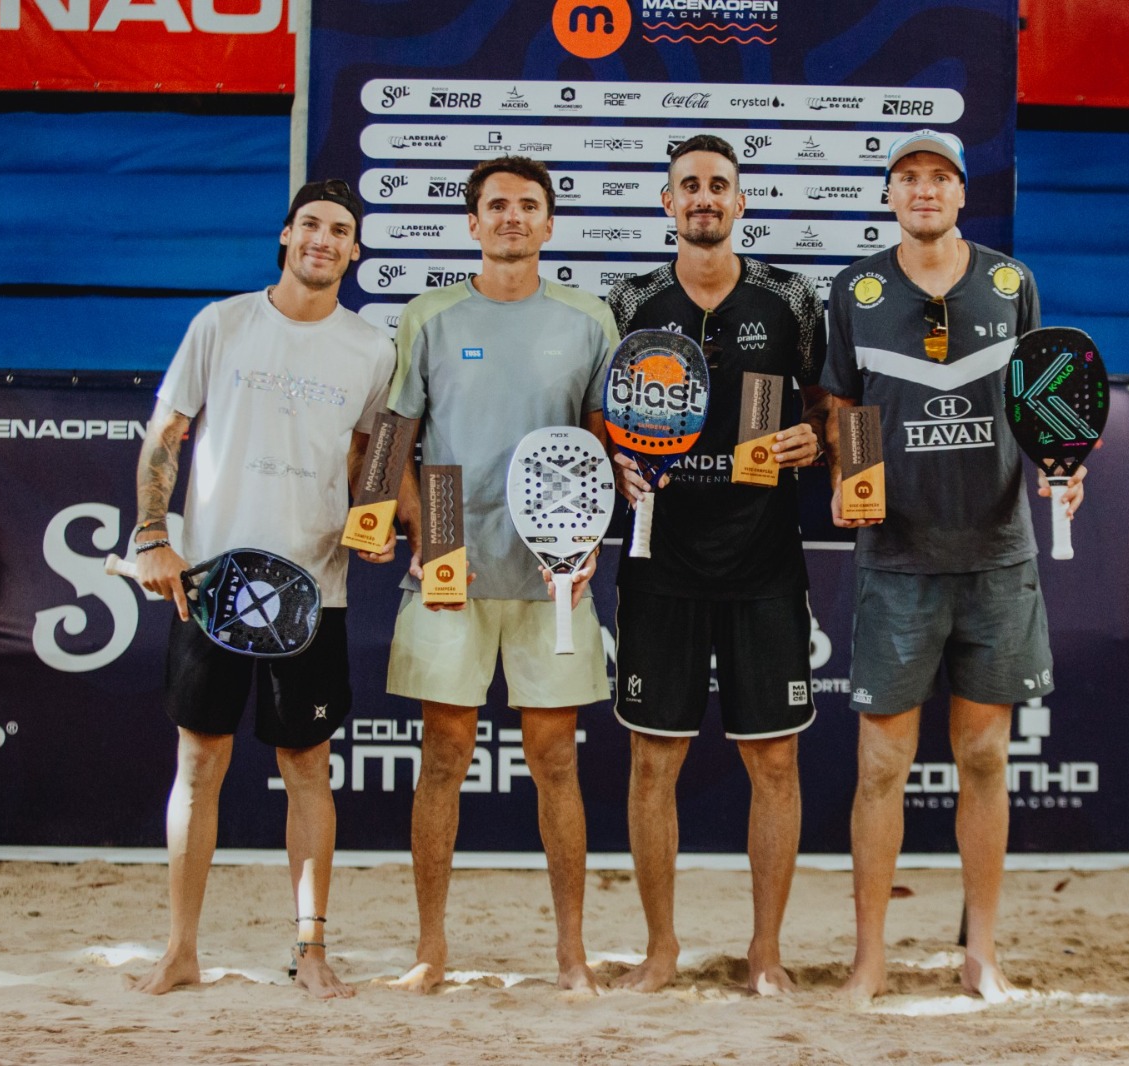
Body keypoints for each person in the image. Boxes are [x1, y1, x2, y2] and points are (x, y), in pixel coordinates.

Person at [820, 130, 1087, 1002]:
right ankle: (869, 959)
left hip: (996, 555)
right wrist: (844, 473)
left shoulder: (1012, 282)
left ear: (962, 195)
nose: (924, 191)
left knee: (983, 756)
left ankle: (981, 956)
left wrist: (1062, 466)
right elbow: (841, 405)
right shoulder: (855, 290)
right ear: (889, 197)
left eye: (939, 179)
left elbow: (1046, 398)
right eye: (908, 180)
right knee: (879, 770)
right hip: (896, 558)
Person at [129, 179, 397, 998]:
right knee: (199, 762)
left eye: (340, 230)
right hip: (211, 588)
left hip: (315, 591)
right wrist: (151, 534)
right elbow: (165, 436)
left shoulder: (372, 349)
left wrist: (374, 522)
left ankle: (310, 952)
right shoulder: (222, 323)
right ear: (286, 237)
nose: (323, 239)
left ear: (355, 251)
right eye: (310, 224)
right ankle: (180, 950)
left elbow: (368, 465)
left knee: (307, 765)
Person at [385, 155, 617, 994]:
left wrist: (590, 537)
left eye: (528, 206)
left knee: (557, 760)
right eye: (496, 206)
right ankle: (431, 948)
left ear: (550, 224)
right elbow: (394, 443)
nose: (512, 217)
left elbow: (603, 448)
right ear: (472, 224)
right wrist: (414, 524)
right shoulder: (429, 316)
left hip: (557, 578)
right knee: (442, 755)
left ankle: (571, 952)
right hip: (453, 566)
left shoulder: (590, 320)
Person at [602, 135, 825, 995]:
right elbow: (595, 412)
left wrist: (822, 439)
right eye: (689, 185)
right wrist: (609, 458)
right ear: (667, 203)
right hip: (660, 561)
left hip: (766, 563)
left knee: (774, 764)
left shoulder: (793, 298)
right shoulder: (626, 299)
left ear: (741, 201)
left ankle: (765, 952)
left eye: (719, 186)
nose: (704, 198)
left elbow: (836, 410)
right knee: (654, 762)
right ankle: (662, 950)